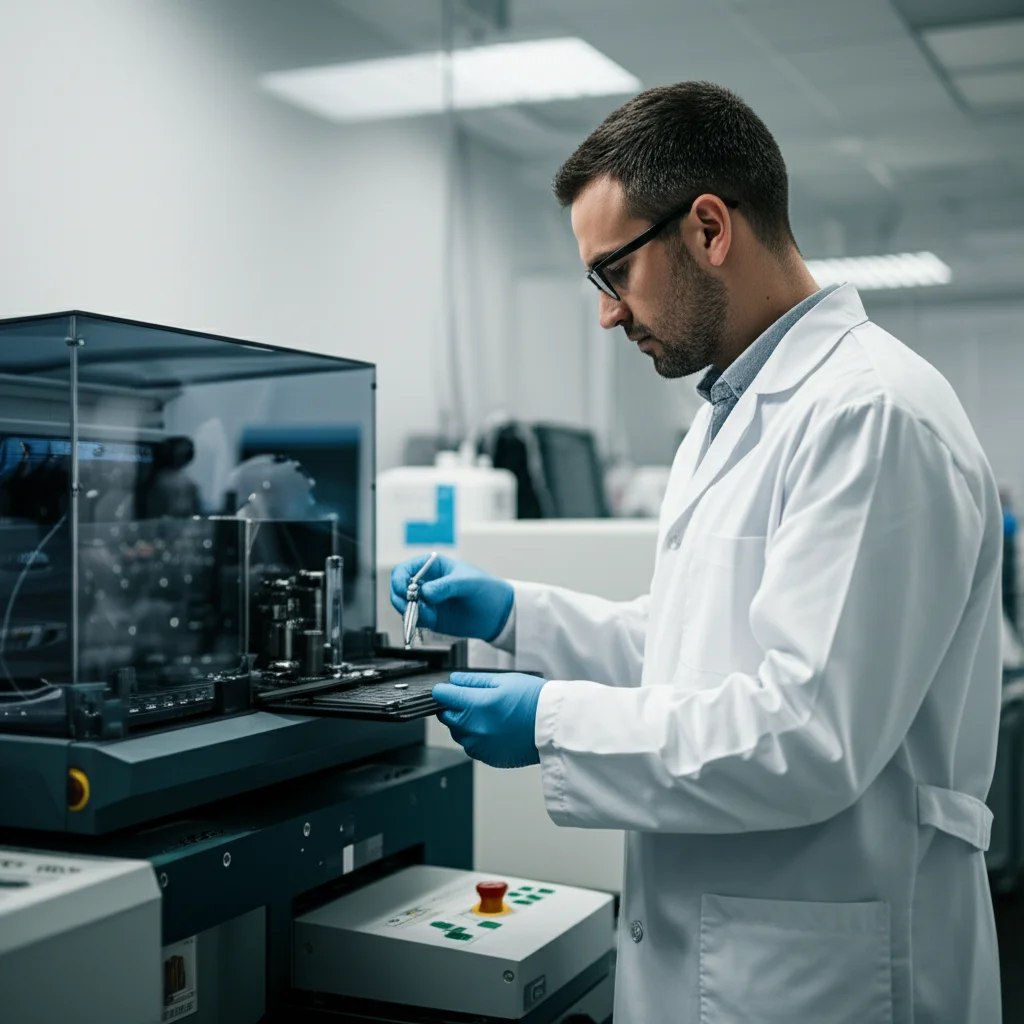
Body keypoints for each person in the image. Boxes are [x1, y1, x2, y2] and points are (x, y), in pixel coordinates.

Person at [392, 82, 1002, 1023]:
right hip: (730, 951)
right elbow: (693, 653)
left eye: (612, 275)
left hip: (824, 975)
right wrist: (518, 615)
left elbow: (807, 731)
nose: (606, 315)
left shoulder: (870, 413)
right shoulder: (728, 416)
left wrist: (553, 722)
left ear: (709, 228)